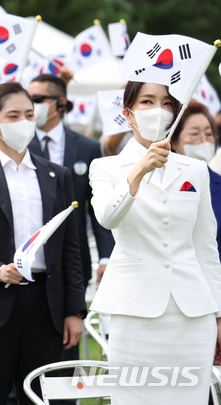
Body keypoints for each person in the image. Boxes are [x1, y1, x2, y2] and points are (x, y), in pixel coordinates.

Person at [0, 82, 86, 405]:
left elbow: (70, 248)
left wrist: (74, 310)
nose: (24, 122)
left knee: (47, 398)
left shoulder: (57, 175)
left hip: (46, 307)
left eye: (29, 114)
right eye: (13, 115)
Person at [89, 81, 221, 404]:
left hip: (192, 314)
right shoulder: (105, 167)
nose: (157, 110)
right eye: (147, 101)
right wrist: (139, 170)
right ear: (129, 115)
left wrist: (218, 314)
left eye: (166, 103)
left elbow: (206, 247)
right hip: (134, 312)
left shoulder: (196, 170)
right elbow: (108, 218)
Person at [26, 74, 115, 284]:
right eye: (27, 98)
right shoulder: (20, 146)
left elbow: (97, 206)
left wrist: (105, 257)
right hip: (29, 256)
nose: (31, 105)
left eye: (37, 99)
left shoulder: (87, 147)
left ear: (61, 104)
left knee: (74, 316)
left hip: (75, 257)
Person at [169, 101, 221, 258]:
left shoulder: (218, 183)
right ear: (173, 141)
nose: (203, 140)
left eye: (209, 134)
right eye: (194, 134)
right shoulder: (161, 185)